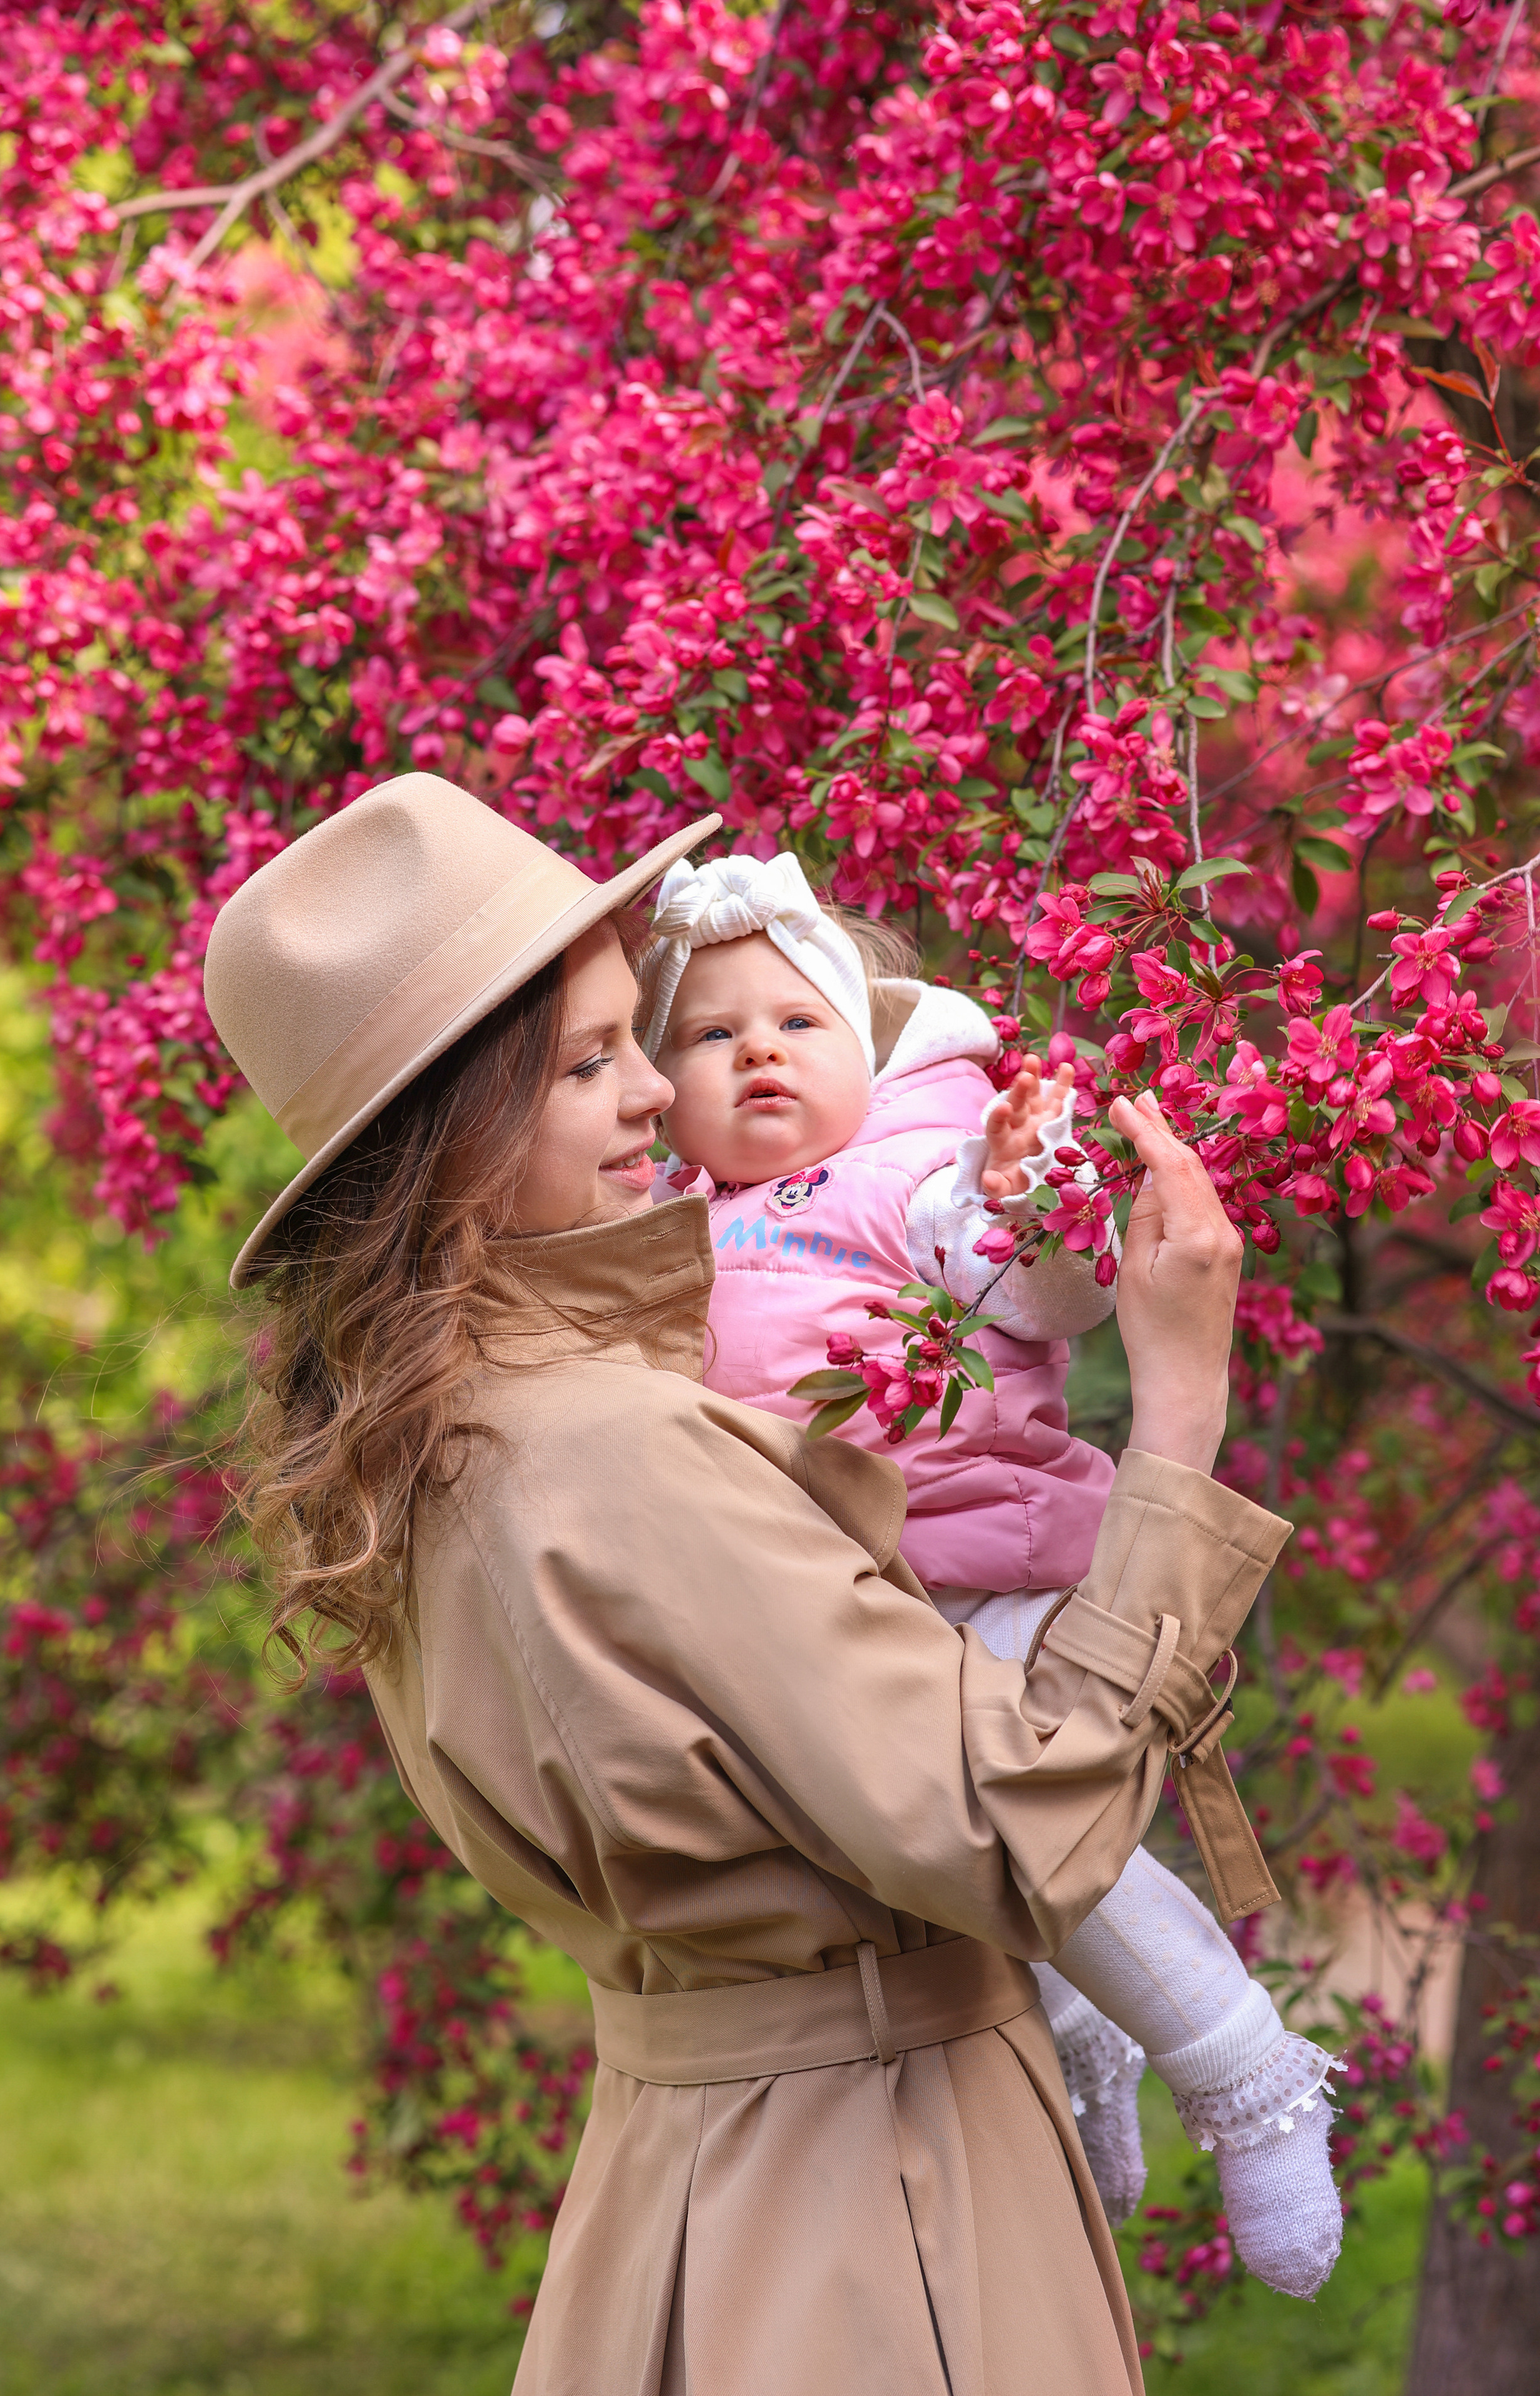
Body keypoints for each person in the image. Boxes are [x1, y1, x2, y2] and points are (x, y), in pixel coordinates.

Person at [205, 770, 1290, 2396]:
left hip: (687, 2184)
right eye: (587, 1063)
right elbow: (1022, 1826)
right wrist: (1181, 1417)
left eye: (630, 1034)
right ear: (454, 1142)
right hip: (877, 2213)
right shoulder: (624, 1449)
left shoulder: (436, 1432)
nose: (657, 1090)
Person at [639, 851, 1343, 2294]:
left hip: (991, 1568)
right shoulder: (672, 1227)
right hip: (847, 1611)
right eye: (709, 1037)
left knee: (1020, 1820)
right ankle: (1082, 2047)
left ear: (869, 1048)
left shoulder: (914, 1172)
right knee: (943, 1836)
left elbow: (1038, 1295)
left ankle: (1244, 2067)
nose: (756, 1050)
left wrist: (1018, 1198)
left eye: (794, 1023)